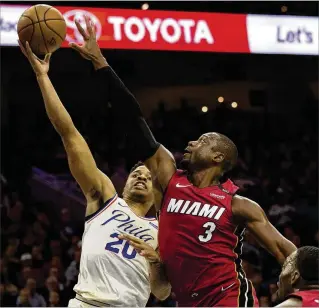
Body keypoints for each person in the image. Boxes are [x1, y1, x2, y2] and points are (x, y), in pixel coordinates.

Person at [70, 16, 297, 307]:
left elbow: (284, 250)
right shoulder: (169, 179)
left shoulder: (237, 203)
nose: (191, 143)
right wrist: (101, 64)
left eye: (202, 141)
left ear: (218, 157)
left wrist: (304, 292)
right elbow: (134, 121)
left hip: (228, 298)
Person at [19, 41, 170, 307]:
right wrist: (42, 76)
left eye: (149, 176)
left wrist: (156, 262)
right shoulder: (104, 199)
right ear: (123, 184)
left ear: (157, 190)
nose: (142, 176)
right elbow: (69, 134)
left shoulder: (164, 229)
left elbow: (162, 292)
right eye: (136, 172)